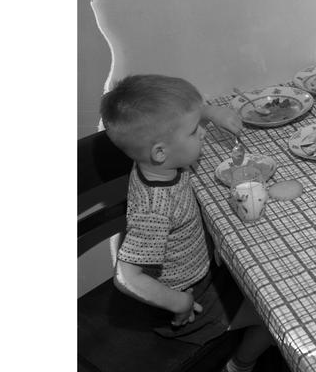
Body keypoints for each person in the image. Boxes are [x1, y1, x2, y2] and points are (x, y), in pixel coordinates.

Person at [100, 74, 272, 372]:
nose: (202, 134)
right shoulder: (155, 208)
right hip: (189, 300)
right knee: (272, 318)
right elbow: (126, 276)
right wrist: (178, 303)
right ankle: (239, 365)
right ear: (161, 152)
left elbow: (172, 112)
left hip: (201, 271)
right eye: (194, 132)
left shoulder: (158, 164)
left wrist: (209, 112)